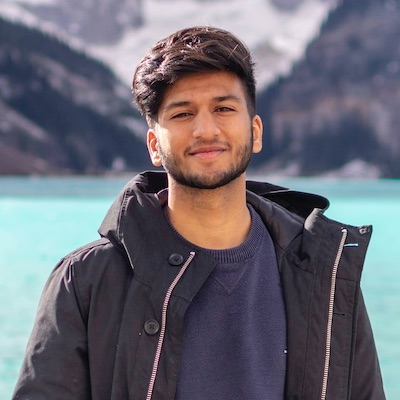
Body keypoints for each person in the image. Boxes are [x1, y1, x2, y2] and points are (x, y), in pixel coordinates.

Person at [13, 26, 385, 400]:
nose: (205, 130)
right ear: (154, 145)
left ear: (255, 132)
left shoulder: (325, 277)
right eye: (182, 113)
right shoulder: (85, 280)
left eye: (223, 108)